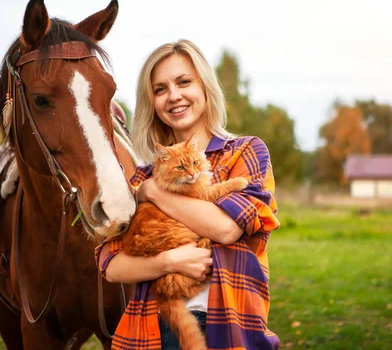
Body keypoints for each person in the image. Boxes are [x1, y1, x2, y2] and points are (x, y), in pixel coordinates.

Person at [95, 39, 280, 350]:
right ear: (151, 102)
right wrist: (168, 261)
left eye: (183, 82)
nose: (174, 96)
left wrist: (154, 192)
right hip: (157, 328)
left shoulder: (245, 152)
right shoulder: (143, 173)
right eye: (160, 89)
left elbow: (225, 228)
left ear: (205, 87)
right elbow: (110, 264)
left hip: (232, 327)